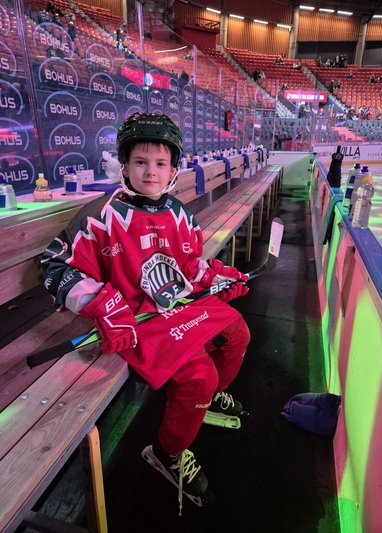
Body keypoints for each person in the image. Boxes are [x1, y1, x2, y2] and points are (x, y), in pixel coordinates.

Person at [40, 113, 250, 511]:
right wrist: (101, 304)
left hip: (175, 305)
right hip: (136, 319)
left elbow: (189, 268)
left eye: (160, 163)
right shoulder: (100, 215)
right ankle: (168, 452)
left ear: (173, 169)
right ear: (124, 164)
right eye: (140, 161)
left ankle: (206, 401)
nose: (150, 172)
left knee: (238, 333)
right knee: (200, 376)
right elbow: (54, 267)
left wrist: (217, 276)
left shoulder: (180, 213)